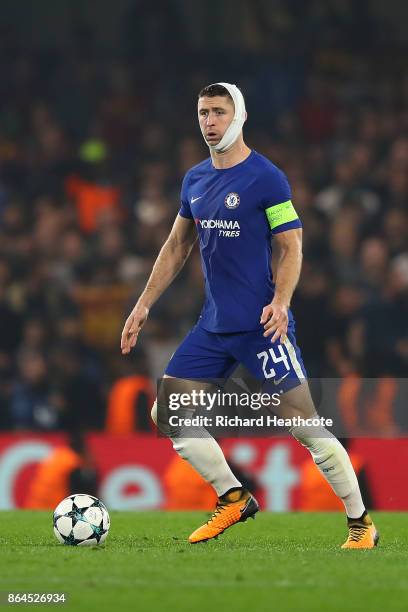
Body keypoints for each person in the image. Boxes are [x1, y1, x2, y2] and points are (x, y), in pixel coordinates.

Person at [121, 82, 379, 549]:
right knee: (168, 412)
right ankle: (233, 496)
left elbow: (291, 245)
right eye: (202, 112)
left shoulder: (266, 178)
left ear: (238, 116)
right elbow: (178, 245)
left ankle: (361, 523)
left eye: (218, 111)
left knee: (307, 427)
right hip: (213, 325)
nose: (209, 121)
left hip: (262, 327)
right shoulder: (195, 180)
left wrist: (281, 302)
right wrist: (143, 304)